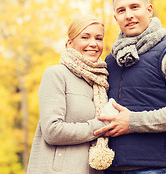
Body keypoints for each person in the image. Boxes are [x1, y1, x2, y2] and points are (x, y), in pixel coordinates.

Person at [94, 0, 166, 174]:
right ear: (115, 18)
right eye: (121, 10)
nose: (128, 15)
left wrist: (133, 122)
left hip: (155, 169)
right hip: (111, 169)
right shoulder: (111, 60)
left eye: (134, 7)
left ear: (149, 10)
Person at [27, 16, 116, 174]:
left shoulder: (102, 82)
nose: (93, 44)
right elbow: (52, 131)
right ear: (69, 43)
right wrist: (101, 126)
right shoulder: (56, 74)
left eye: (99, 38)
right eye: (85, 37)